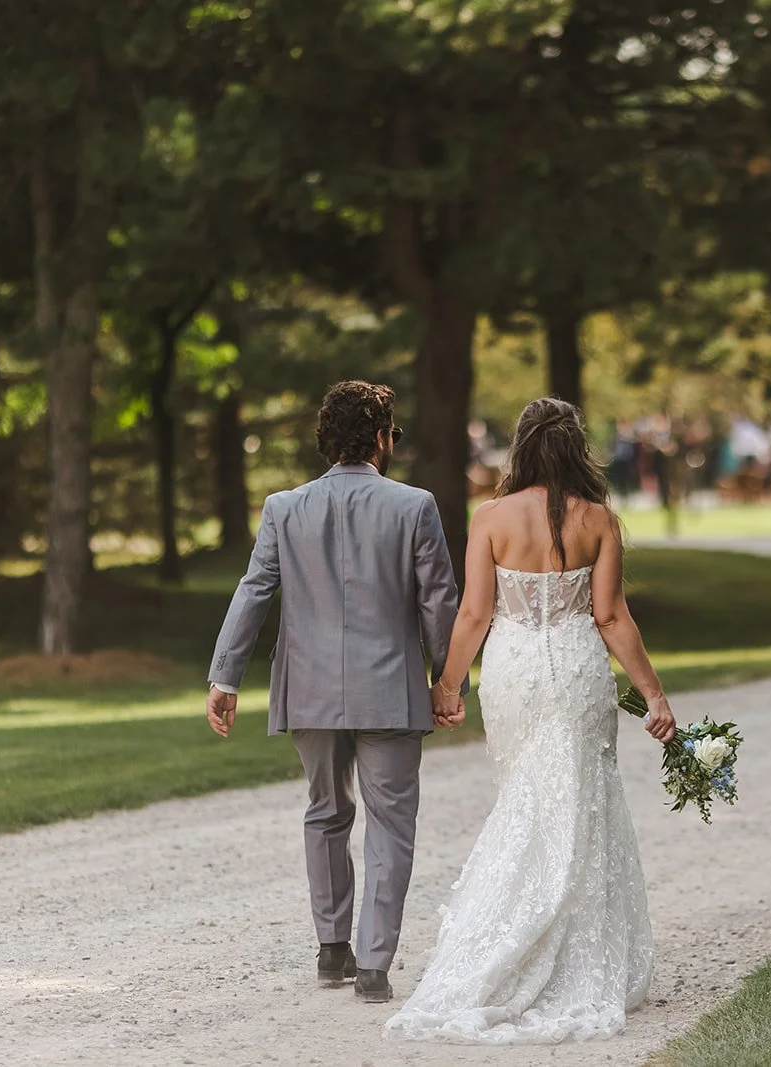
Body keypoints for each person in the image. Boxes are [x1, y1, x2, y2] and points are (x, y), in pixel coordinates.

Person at [386, 396, 677, 1045]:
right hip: (576, 668)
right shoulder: (598, 518)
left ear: (520, 447)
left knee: (525, 797)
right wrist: (653, 694)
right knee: (579, 804)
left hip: (514, 669)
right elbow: (610, 616)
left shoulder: (490, 517)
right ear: (576, 448)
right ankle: (574, 954)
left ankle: (505, 942)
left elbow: (473, 615)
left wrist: (449, 684)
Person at [205, 380, 463, 1005]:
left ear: (327, 440)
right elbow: (438, 600)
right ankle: (374, 963)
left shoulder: (283, 508)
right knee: (391, 823)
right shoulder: (415, 506)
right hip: (390, 689)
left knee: (324, 810)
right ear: (381, 438)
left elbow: (254, 591)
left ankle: (331, 948)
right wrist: (447, 679)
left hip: (311, 686)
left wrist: (224, 675)